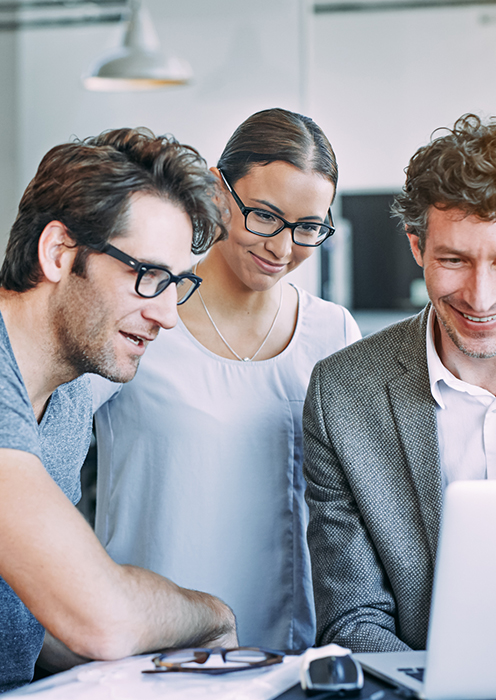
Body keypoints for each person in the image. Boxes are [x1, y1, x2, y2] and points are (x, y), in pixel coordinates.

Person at [91, 107, 361, 651]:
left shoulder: (334, 334)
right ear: (219, 191)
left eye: (308, 228)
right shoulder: (141, 316)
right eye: (263, 215)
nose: (282, 249)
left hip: (290, 656)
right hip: (149, 651)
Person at [303, 113, 496, 653]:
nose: (480, 296)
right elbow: (354, 620)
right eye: (453, 260)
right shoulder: (344, 394)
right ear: (417, 249)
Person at [0, 127, 237, 693]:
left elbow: (40, 624)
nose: (168, 315)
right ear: (59, 252)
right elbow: (100, 619)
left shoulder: (67, 396)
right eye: (147, 276)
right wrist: (211, 615)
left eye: (175, 284)